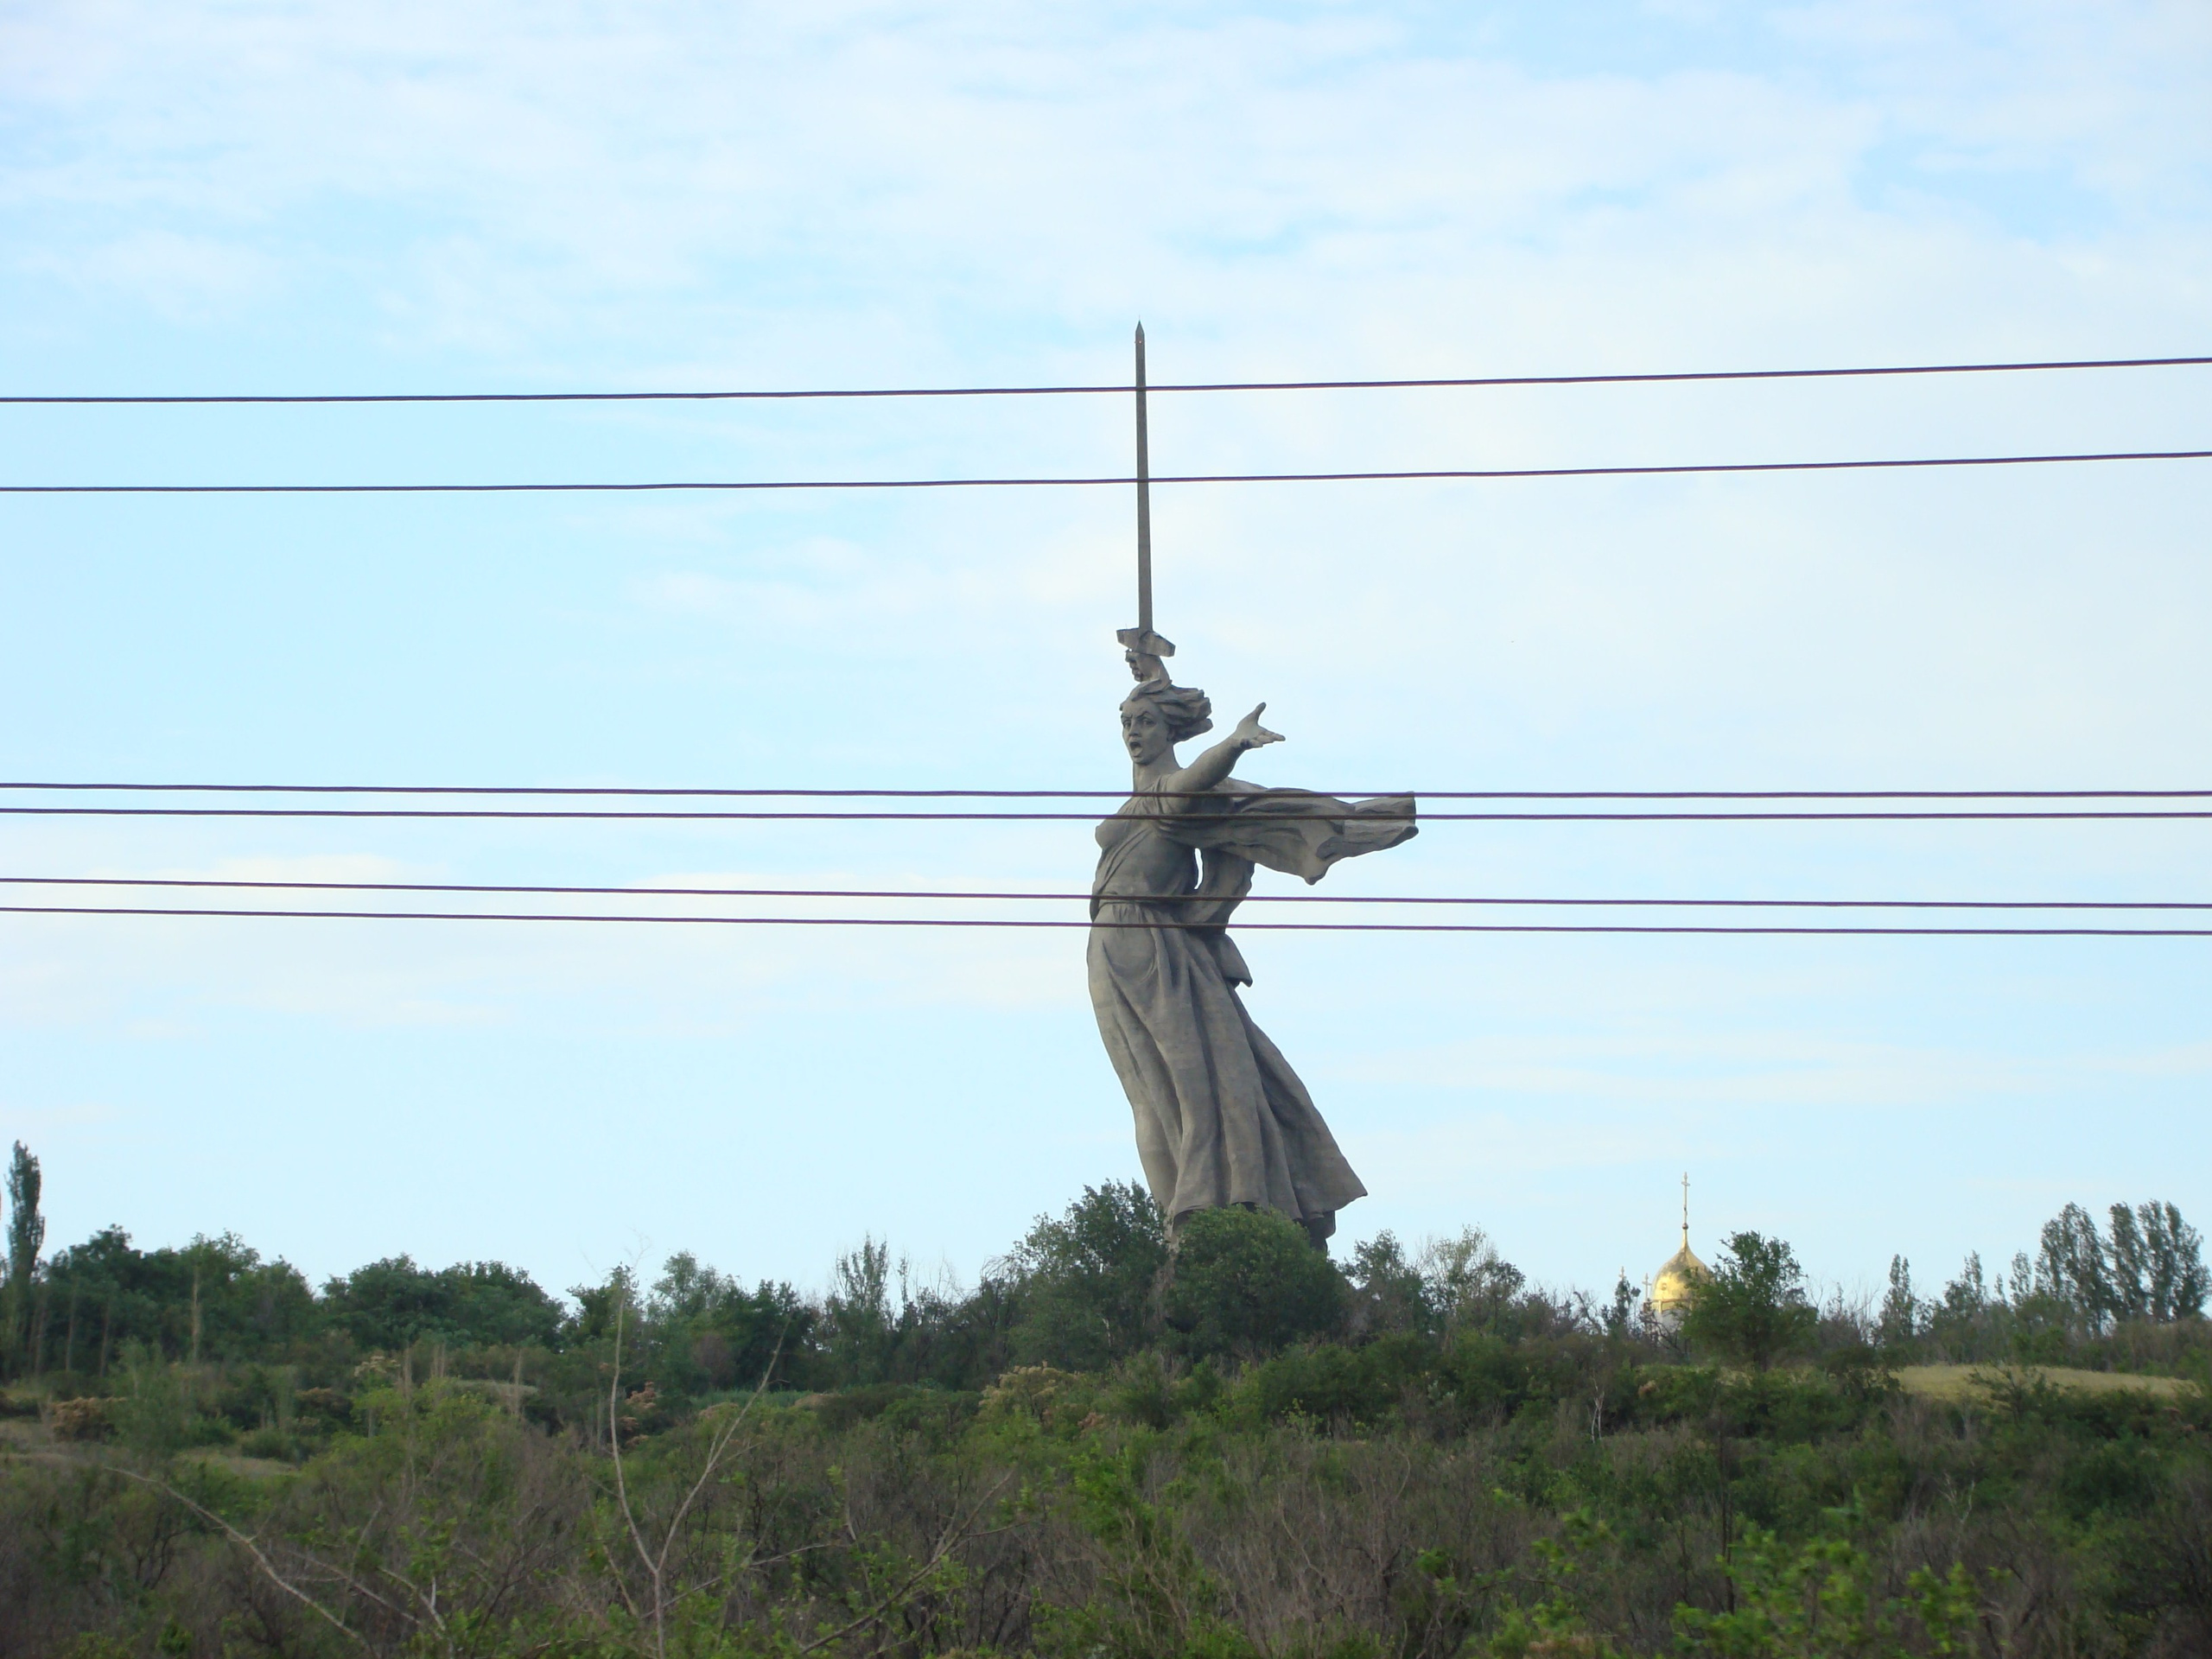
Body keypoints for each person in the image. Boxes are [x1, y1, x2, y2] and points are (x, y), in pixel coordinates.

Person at [1087, 674, 1416, 1249]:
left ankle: (1206, 1210)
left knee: (1197, 1083)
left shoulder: (1176, 793)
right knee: (1147, 1093)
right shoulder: (1141, 797)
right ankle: (1177, 1224)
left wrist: (1236, 742)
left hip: (1154, 944)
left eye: (1145, 722)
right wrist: (1146, 672)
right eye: (1126, 722)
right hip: (1109, 947)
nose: (1133, 732)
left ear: (1170, 731)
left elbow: (1199, 778)